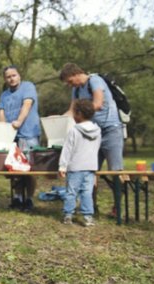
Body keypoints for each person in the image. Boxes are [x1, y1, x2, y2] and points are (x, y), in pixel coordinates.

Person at [59, 62, 124, 216]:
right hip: (91, 134)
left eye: (69, 81)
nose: (69, 85)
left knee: (115, 170)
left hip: (110, 129)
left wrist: (81, 113)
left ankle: (118, 207)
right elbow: (71, 111)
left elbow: (98, 104)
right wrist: (57, 119)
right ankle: (91, 206)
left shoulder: (95, 81)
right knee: (89, 170)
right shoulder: (76, 90)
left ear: (75, 74)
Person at [0, 65, 41, 211]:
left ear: (19, 75)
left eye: (14, 75)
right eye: (8, 77)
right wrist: (3, 129)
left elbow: (27, 105)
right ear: (5, 79)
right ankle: (17, 197)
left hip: (28, 133)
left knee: (29, 168)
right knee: (13, 168)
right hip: (11, 136)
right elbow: (1, 112)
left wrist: (19, 121)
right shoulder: (4, 95)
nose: (11, 79)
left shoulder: (28, 87)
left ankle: (28, 198)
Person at [59, 99, 101, 226]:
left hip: (75, 167)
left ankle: (68, 215)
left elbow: (67, 149)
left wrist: (62, 166)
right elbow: (96, 148)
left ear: (79, 114)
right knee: (87, 192)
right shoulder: (98, 131)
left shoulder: (74, 130)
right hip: (90, 167)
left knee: (71, 192)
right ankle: (88, 217)